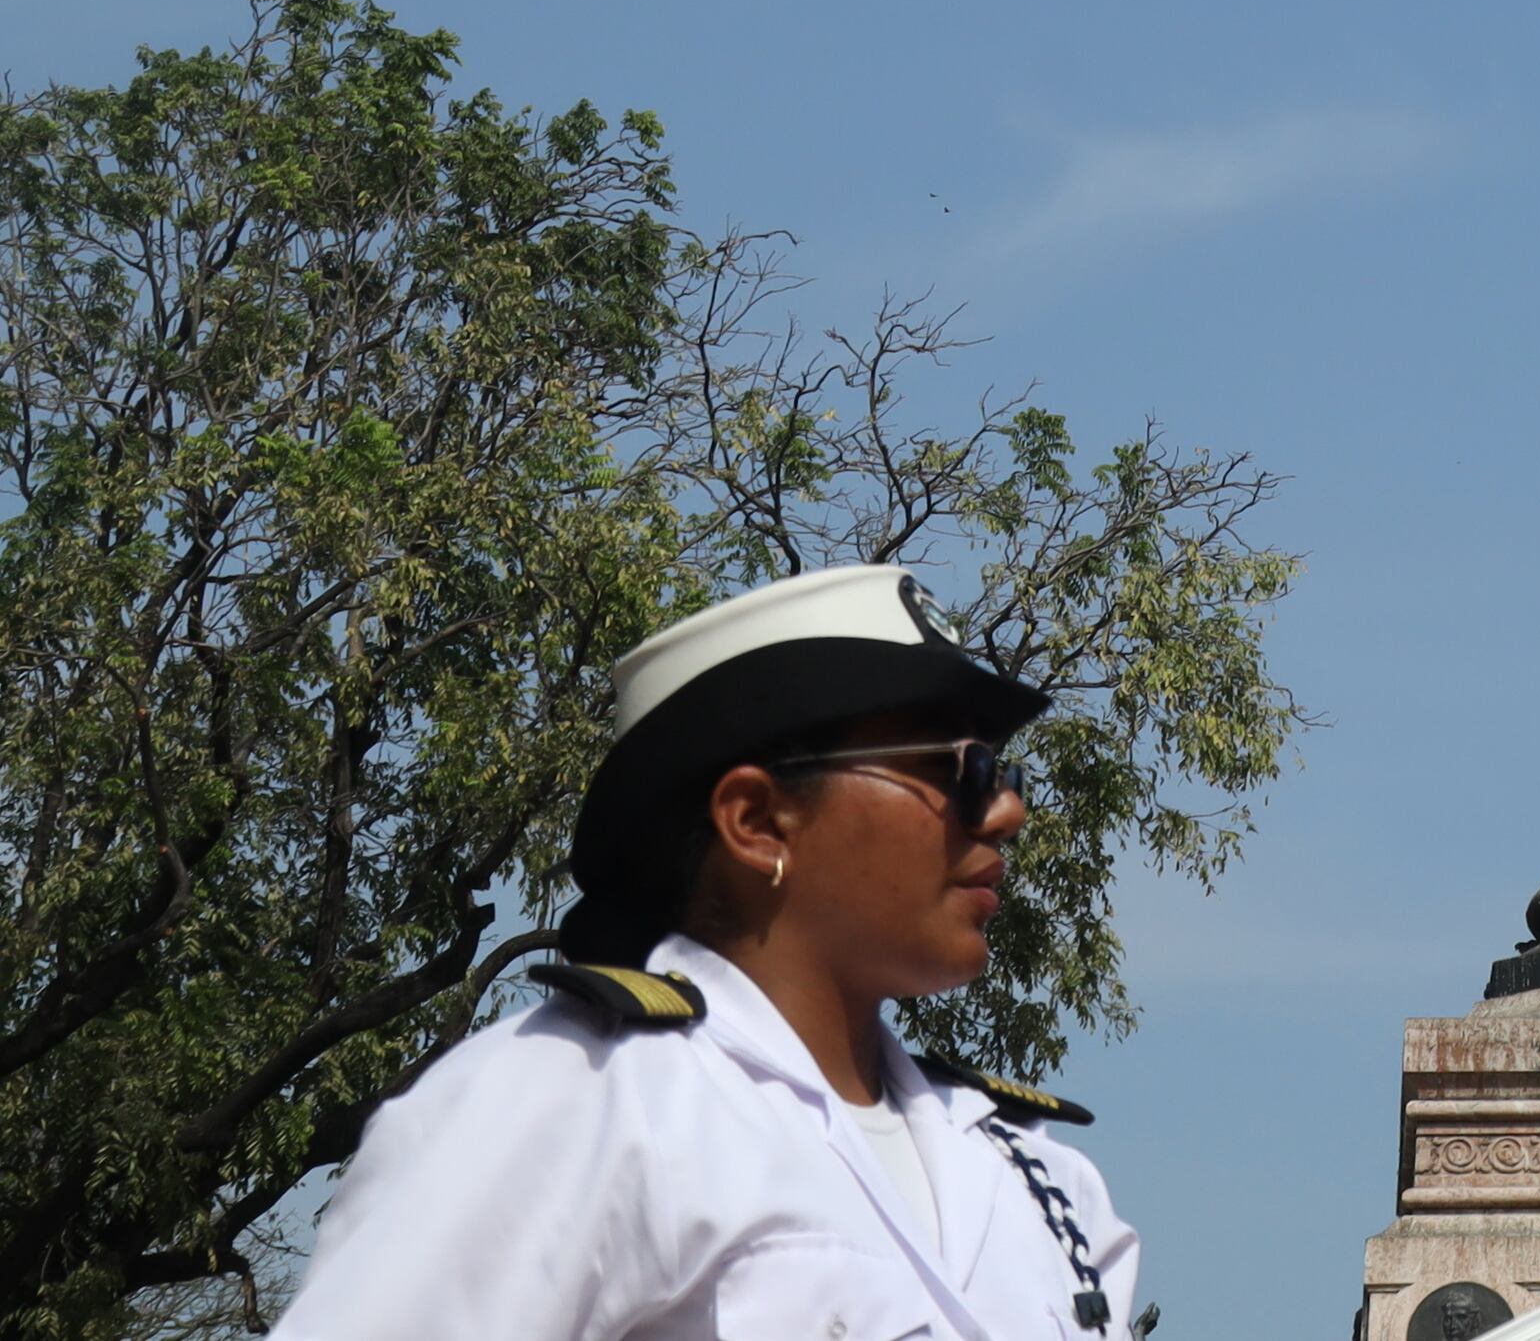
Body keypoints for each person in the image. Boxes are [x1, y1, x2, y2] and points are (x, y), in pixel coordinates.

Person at [278, 564, 1141, 1340]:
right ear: (757, 822)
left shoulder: (1042, 1178)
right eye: (956, 770)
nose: (1003, 812)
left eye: (1002, 773)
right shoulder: (579, 1102)